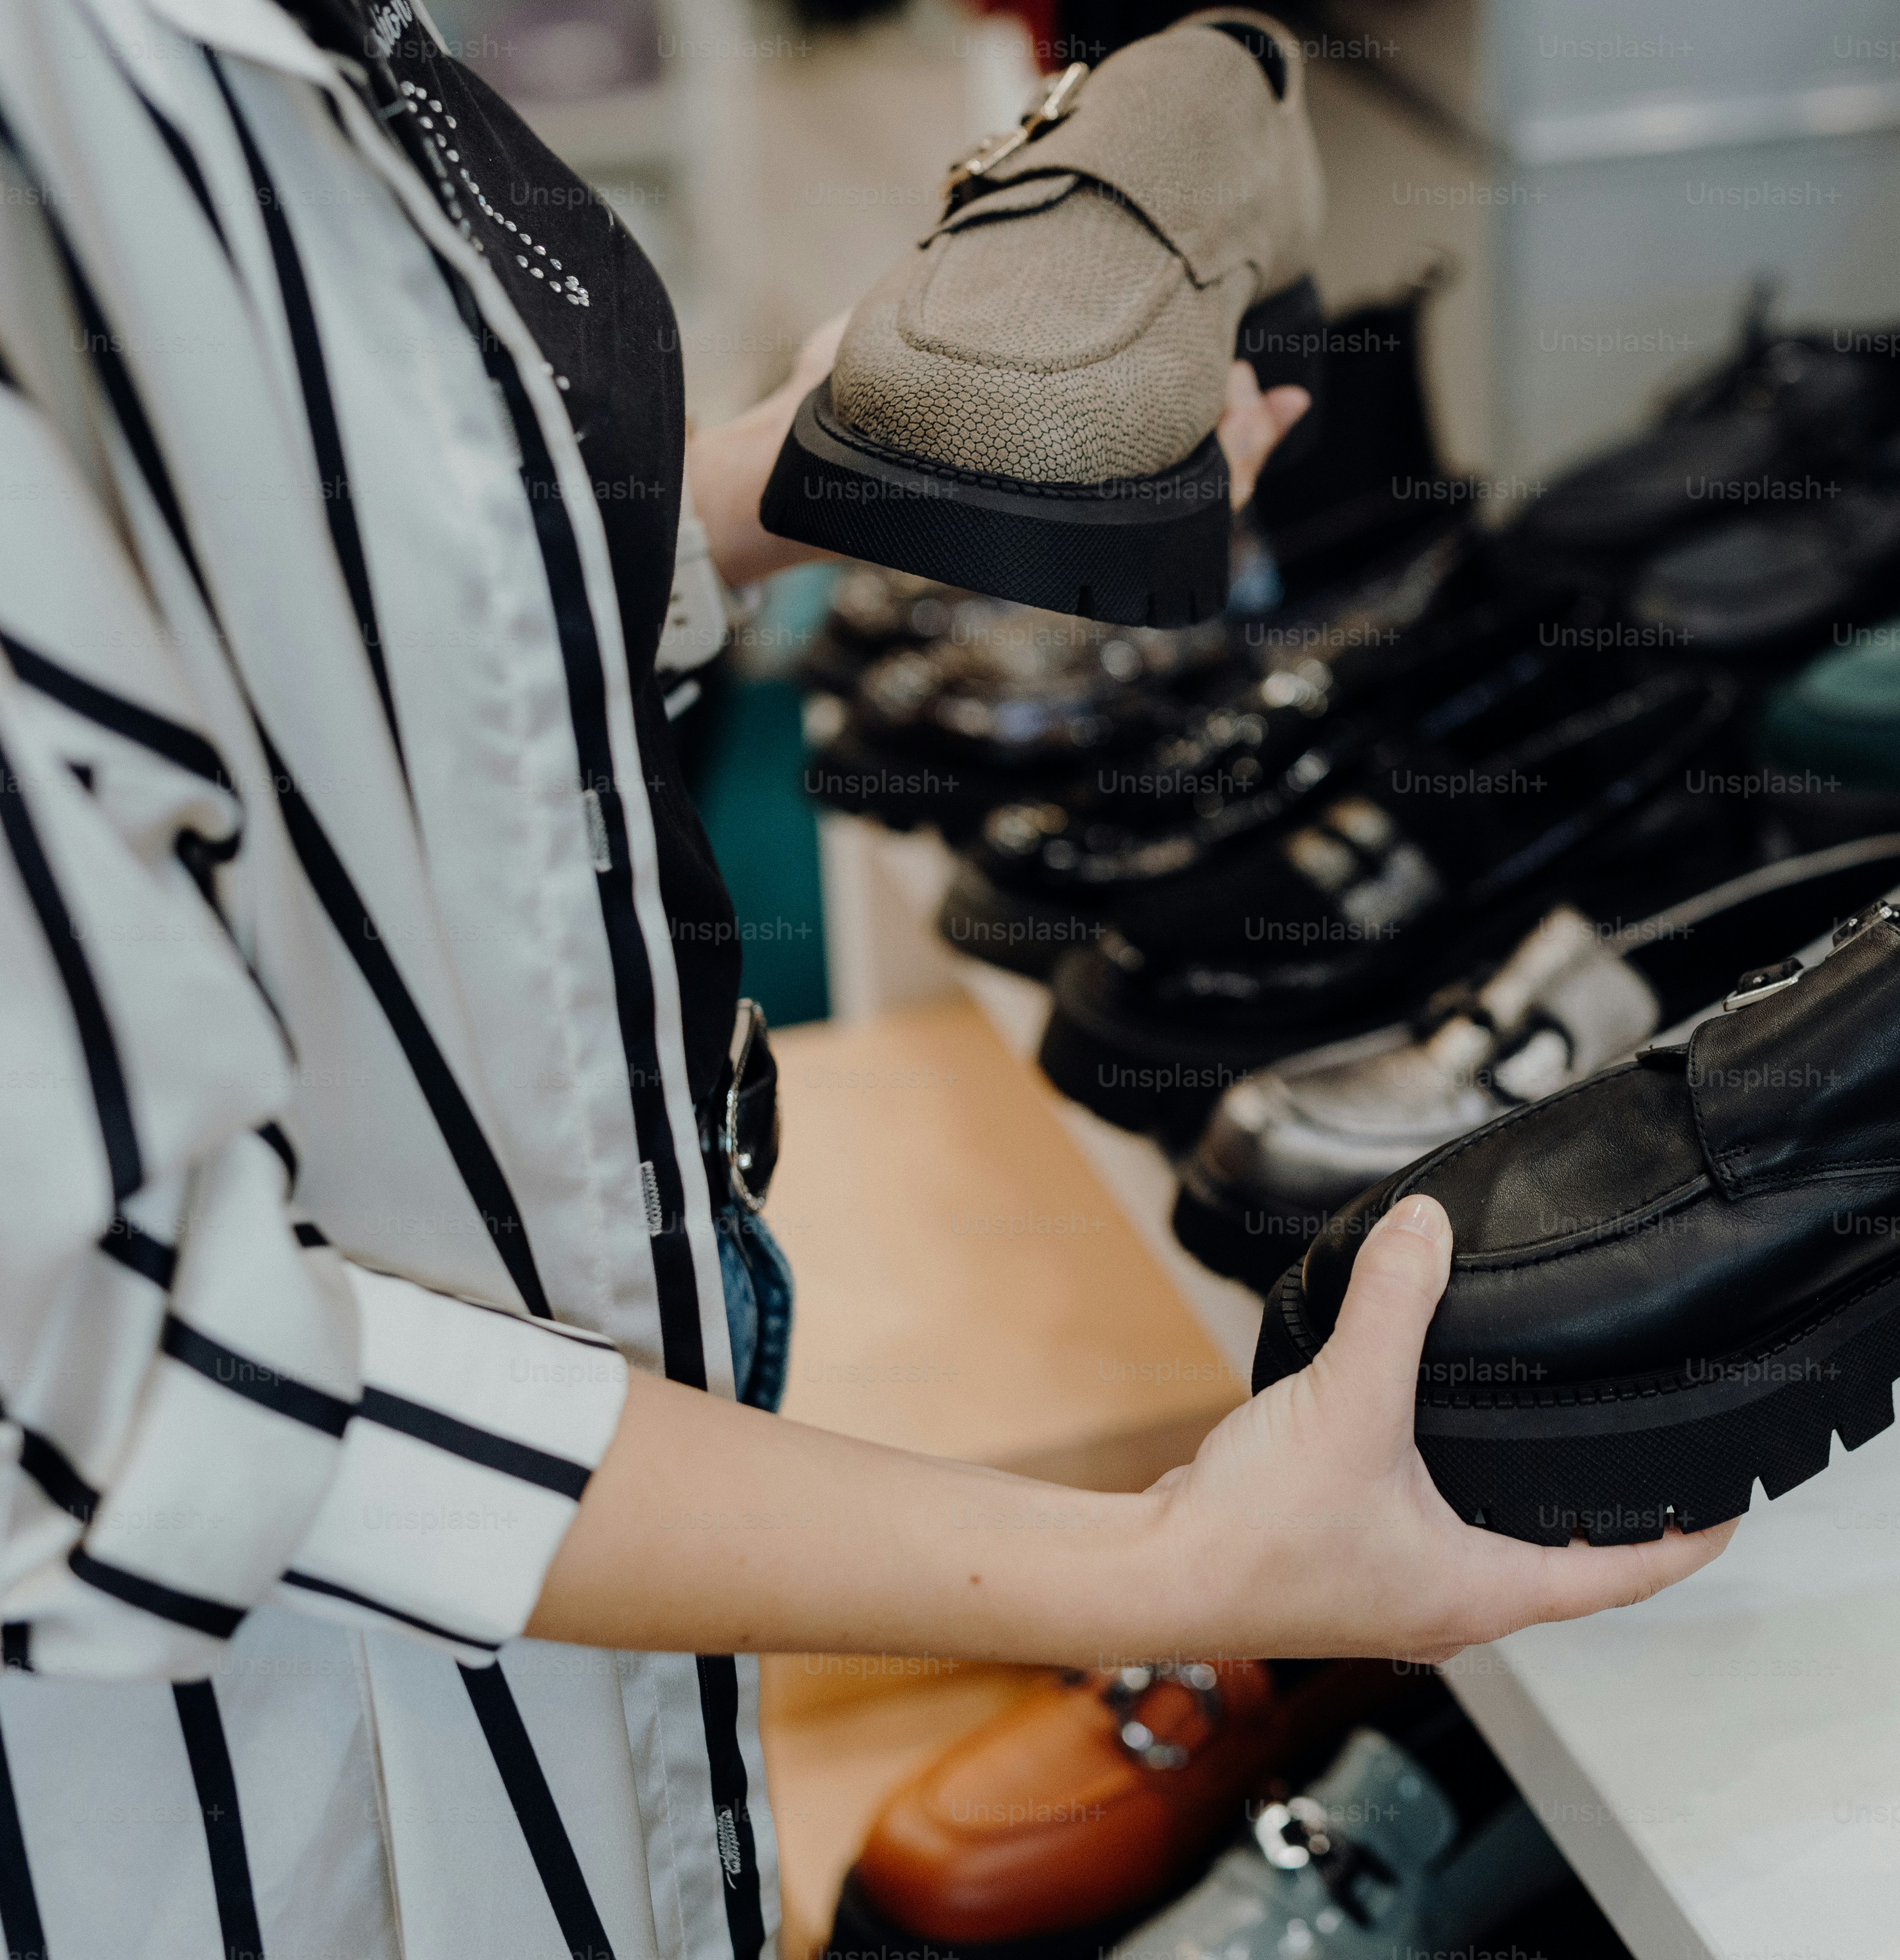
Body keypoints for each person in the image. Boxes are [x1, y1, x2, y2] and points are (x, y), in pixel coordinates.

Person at [0, 0, 1728, 1951]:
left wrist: (774, 484)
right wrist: (1163, 1561)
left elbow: (256, 627)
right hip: (214, 1766)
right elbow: (114, 1386)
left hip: (607, 1418)